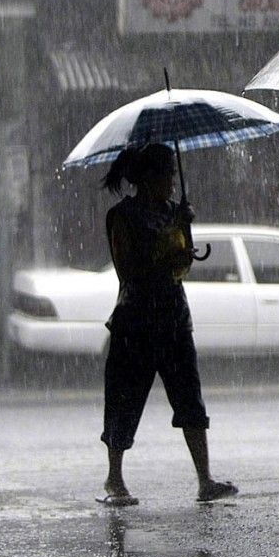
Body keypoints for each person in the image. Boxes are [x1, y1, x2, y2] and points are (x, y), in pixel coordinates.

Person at [98, 143, 237, 506]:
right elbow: (130, 269)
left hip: (174, 319)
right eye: (166, 173)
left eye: (174, 173)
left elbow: (180, 269)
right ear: (147, 177)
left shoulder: (176, 213)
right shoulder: (122, 216)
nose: (173, 180)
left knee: (190, 398)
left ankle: (205, 479)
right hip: (135, 323)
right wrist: (171, 234)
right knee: (124, 400)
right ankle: (115, 479)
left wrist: (183, 238)